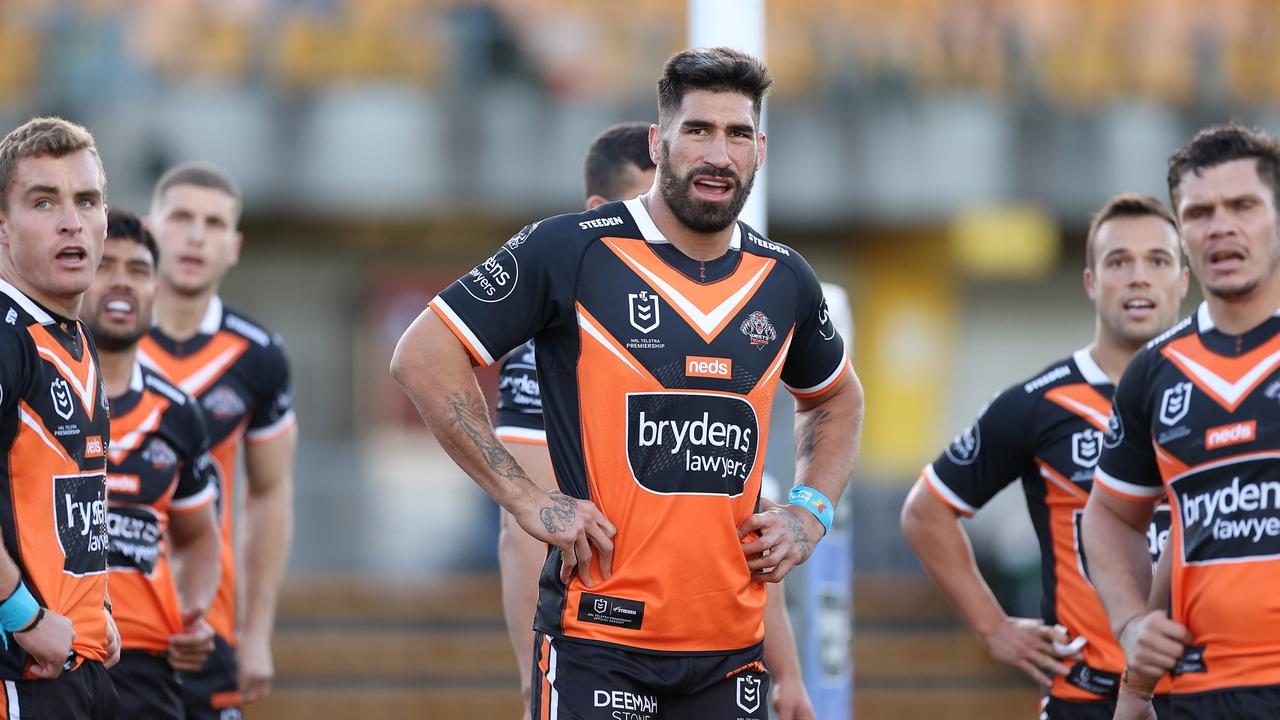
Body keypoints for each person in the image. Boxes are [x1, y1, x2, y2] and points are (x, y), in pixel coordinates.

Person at [393, 47, 862, 719]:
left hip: (732, 656)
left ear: (759, 149)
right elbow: (423, 354)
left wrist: (811, 511)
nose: (717, 155)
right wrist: (523, 497)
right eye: (697, 130)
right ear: (659, 139)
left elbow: (838, 397)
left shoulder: (784, 278)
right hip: (596, 645)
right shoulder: (570, 250)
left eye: (736, 135)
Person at [495, 121, 815, 720]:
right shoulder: (559, 345)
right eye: (651, 204)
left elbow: (724, 527)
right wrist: (528, 677)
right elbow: (523, 533)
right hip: (602, 647)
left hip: (720, 656)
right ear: (602, 209)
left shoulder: (735, 312)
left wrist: (788, 671)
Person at [902, 194, 1189, 719]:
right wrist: (993, 627)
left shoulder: (1224, 395)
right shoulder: (1037, 404)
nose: (1139, 277)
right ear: (1091, 282)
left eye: (1159, 260)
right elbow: (925, 511)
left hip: (1207, 694)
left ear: (1184, 281)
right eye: (1118, 261)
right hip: (1086, 699)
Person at [1084, 122, 1280, 719]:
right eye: (1199, 212)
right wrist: (1131, 623)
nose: (1221, 225)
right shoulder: (1155, 372)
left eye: (1243, 205)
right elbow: (1110, 514)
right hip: (1200, 696)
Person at [137, 163, 297, 719]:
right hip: (98, 623)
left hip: (205, 625)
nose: (196, 235)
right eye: (181, 217)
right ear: (149, 229)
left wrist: (256, 631)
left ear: (234, 246)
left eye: (213, 223)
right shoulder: (94, 343)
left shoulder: (258, 356)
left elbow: (269, 494)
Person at [0, 116, 120, 716]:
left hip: (77, 660)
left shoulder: (68, 333)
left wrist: (91, 607)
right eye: (43, 202)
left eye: (87, 200)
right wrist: (19, 613)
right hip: (22, 675)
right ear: (1, 224)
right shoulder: (6, 336)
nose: (72, 220)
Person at [84, 209, 223, 719]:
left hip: (148, 663)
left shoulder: (179, 412)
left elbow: (198, 535)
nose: (122, 282)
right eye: (105, 265)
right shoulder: (35, 386)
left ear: (156, 290)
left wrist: (194, 611)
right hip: (50, 649)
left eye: (139, 270)